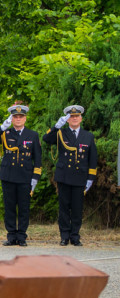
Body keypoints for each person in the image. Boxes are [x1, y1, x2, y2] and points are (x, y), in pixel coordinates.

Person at [44, 104, 97, 246]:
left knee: (77, 209)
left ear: (81, 118)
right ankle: (64, 236)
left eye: (77, 116)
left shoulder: (88, 136)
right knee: (64, 208)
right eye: (71, 116)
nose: (74, 118)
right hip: (64, 176)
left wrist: (90, 178)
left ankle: (75, 236)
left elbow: (92, 159)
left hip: (80, 177)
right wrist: (56, 126)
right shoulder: (61, 133)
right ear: (67, 119)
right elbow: (46, 138)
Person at [0, 104, 42, 247]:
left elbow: (37, 158)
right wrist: (2, 127)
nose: (18, 119)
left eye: (21, 117)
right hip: (9, 176)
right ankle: (11, 236)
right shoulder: (6, 133)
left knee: (24, 208)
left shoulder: (32, 135)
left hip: (25, 176)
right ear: (11, 119)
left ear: (25, 118)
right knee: (10, 207)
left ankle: (22, 236)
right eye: (15, 117)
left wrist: (35, 177)